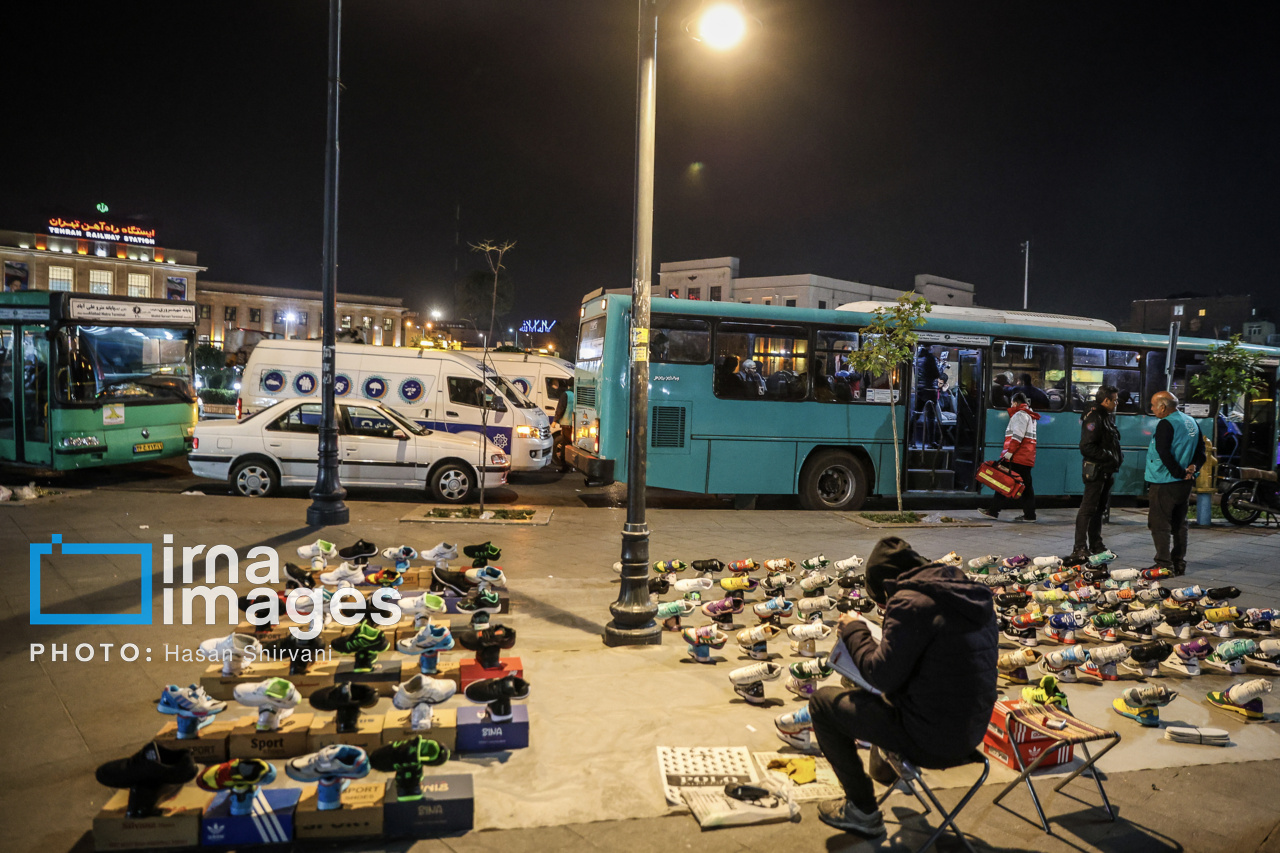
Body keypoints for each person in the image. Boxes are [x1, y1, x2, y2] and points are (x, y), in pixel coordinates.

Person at [810, 537, 998, 838]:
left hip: (934, 741)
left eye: (880, 602)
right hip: (972, 731)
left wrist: (854, 630)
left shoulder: (910, 602)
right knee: (876, 688)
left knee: (823, 703)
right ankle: (888, 768)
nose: (883, 608)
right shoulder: (968, 594)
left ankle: (863, 811)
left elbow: (881, 675)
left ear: (886, 586)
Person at [1146, 391, 1205, 575]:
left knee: (1159, 523)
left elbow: (1164, 452)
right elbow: (1201, 451)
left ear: (1163, 407)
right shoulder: (1191, 421)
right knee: (1180, 523)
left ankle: (1163, 564)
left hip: (1165, 481)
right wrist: (1193, 468)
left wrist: (1179, 473)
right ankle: (1179, 562)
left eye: (1153, 405)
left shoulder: (1166, 423)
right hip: (1184, 484)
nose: (1152, 408)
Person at [1070, 385, 1123, 562]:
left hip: (1105, 470)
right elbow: (1087, 446)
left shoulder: (1104, 416)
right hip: (1096, 470)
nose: (1117, 403)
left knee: (1099, 509)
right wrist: (1109, 458)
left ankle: (1096, 544)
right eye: (1115, 400)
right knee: (1088, 509)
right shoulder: (1094, 416)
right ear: (1105, 400)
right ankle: (1079, 547)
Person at [979, 392, 1040, 522]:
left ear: (1016, 403)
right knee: (1026, 487)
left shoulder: (1020, 415)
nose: (1011, 405)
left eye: (1012, 403)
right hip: (1026, 456)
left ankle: (994, 511)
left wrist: (1010, 452)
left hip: (1017, 456)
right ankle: (1029, 515)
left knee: (1003, 480)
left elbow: (1017, 436)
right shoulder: (1030, 415)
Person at [552, 380, 574, 473]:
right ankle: (572, 466)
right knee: (572, 445)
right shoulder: (576, 393)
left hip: (566, 423)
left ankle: (565, 467)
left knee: (565, 444)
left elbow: (561, 408)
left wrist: (555, 420)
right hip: (574, 424)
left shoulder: (566, 394)